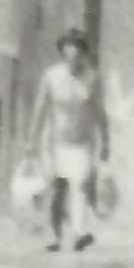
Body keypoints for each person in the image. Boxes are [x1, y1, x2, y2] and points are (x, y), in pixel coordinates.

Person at [28, 30, 108, 251]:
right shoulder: (52, 77)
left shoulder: (91, 79)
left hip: (80, 142)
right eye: (69, 52)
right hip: (54, 141)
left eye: (78, 52)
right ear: (63, 53)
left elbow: (99, 111)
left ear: (83, 54)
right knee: (56, 189)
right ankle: (53, 236)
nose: (74, 57)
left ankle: (80, 233)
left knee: (80, 184)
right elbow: (40, 108)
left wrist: (105, 139)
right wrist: (31, 140)